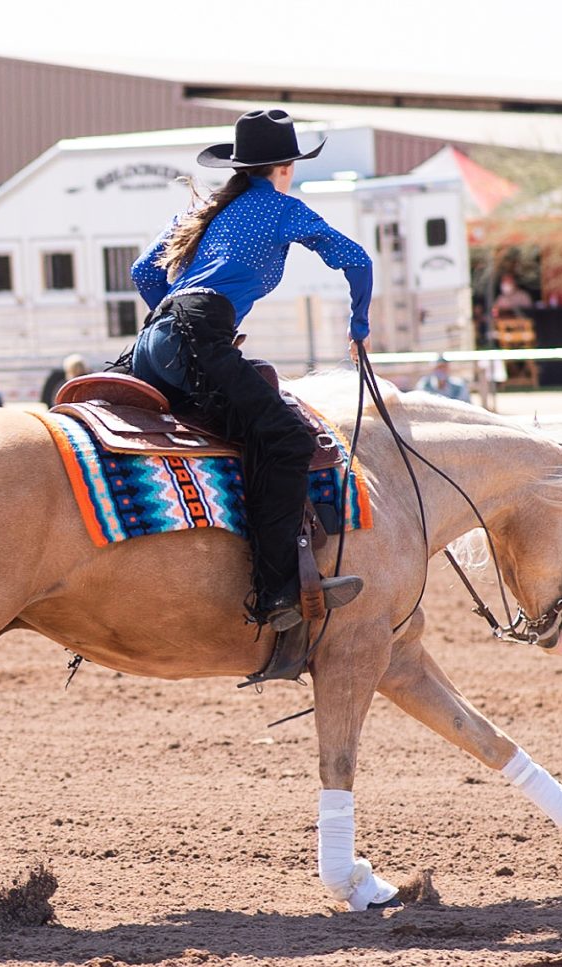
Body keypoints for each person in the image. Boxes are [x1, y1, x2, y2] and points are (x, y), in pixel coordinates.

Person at [128, 108, 367, 632]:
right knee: (286, 441)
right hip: (198, 336)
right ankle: (277, 589)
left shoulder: (207, 209)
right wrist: (359, 323)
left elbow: (142, 270)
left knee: (231, 427)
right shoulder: (280, 208)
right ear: (285, 166)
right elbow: (357, 260)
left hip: (151, 341)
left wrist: (176, 309)